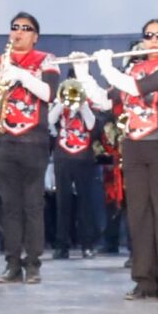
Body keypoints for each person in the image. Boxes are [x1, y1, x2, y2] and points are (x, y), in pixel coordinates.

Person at [96, 24, 158, 300]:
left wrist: (106, 67)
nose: (154, 40)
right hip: (134, 145)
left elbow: (139, 88)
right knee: (139, 215)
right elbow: (104, 101)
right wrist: (85, 76)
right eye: (149, 36)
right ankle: (144, 281)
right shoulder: (133, 69)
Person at [0, 13, 62, 285]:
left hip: (34, 141)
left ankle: (34, 264)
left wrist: (22, 76)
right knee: (10, 206)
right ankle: (12, 262)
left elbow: (50, 94)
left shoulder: (46, 60)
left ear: (35, 36)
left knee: (33, 205)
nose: (18, 33)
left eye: (25, 29)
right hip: (5, 139)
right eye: (14, 28)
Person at [48, 66, 108, 261]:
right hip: (63, 157)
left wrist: (82, 103)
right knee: (62, 202)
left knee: (86, 202)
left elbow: (92, 126)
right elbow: (49, 119)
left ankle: (87, 244)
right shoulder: (60, 103)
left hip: (83, 157)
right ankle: (61, 245)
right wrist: (60, 101)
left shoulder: (90, 104)